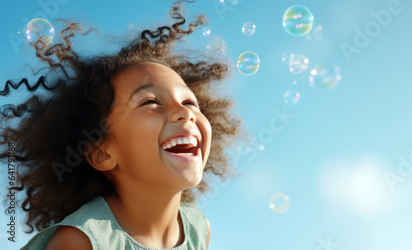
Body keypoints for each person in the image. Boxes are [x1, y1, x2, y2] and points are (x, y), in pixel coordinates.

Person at [0, 1, 241, 249]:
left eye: (190, 101)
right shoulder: (80, 241)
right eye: (150, 101)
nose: (184, 113)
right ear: (102, 153)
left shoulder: (198, 227)